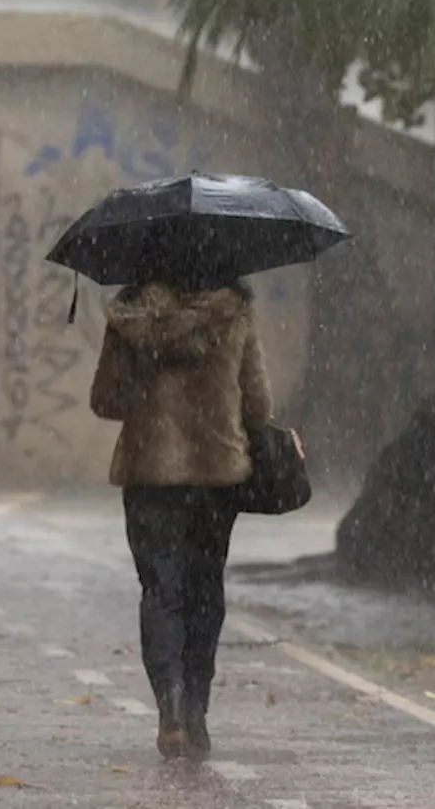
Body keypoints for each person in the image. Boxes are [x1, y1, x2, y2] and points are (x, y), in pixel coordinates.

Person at [90, 277, 271, 762]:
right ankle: (197, 710)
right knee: (205, 590)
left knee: (161, 592)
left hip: (151, 475)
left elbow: (105, 400)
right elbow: (258, 405)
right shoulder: (234, 313)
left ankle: (169, 709)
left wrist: (149, 388)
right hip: (216, 476)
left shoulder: (130, 319)